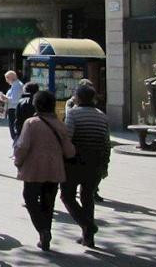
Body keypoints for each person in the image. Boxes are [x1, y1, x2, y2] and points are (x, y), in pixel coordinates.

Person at [14, 90, 75, 251]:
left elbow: (22, 146)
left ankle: (42, 230)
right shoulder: (60, 124)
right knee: (48, 204)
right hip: (54, 170)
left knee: (30, 199)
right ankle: (46, 232)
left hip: (33, 171)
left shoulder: (31, 123)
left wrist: (18, 161)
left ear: (37, 105)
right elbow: (69, 151)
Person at [62, 85, 110, 248]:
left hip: (75, 161)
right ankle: (88, 237)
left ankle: (87, 226)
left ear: (78, 98)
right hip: (95, 162)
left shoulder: (73, 114)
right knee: (87, 197)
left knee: (67, 196)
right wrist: (105, 165)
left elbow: (67, 137)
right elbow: (106, 142)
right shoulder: (102, 116)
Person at [1, 70, 24, 141]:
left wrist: (4, 98)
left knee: (14, 131)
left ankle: (16, 144)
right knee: (13, 130)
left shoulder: (17, 85)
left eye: (6, 78)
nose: (6, 81)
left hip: (14, 110)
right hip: (13, 109)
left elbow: (15, 100)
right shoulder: (15, 85)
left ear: (10, 78)